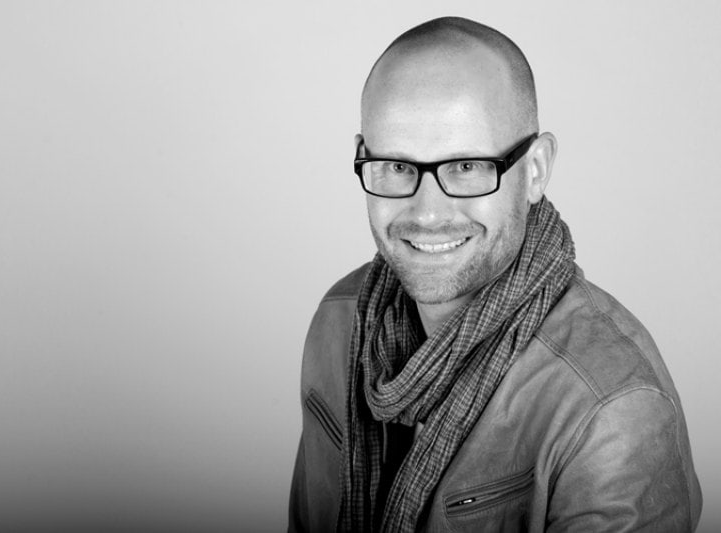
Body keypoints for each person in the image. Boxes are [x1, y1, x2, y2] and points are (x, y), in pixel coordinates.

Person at [288, 16, 702, 533]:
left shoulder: (613, 409)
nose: (428, 212)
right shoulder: (340, 322)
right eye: (396, 166)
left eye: (467, 167)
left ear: (535, 170)